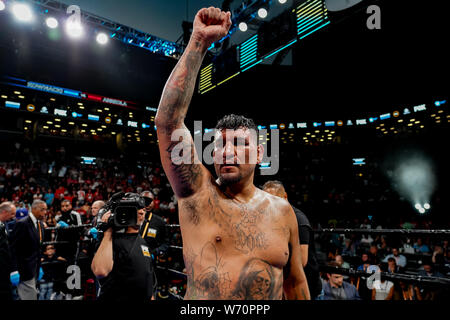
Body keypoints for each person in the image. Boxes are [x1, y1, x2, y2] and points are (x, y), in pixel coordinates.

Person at [155, 6, 309, 300]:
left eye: (239, 144)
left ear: (261, 153)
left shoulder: (283, 212)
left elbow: (295, 283)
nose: (227, 152)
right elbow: (168, 122)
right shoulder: (197, 194)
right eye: (220, 144)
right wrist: (198, 42)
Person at [262, 180, 322, 299]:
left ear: (285, 197)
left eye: (274, 199)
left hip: (307, 287)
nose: (270, 204)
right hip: (286, 287)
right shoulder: (273, 218)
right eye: (266, 200)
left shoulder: (299, 220)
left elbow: (302, 261)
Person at [91, 193, 155, 301]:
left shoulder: (142, 241)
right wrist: (108, 231)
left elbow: (148, 276)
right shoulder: (110, 240)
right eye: (137, 208)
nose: (142, 211)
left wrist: (151, 296)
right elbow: (100, 271)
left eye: (143, 208)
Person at [9, 200, 46, 300]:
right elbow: (13, 248)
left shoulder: (40, 225)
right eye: (42, 209)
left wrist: (39, 267)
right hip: (23, 270)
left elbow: (38, 249)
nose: (45, 212)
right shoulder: (22, 224)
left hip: (34, 269)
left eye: (46, 210)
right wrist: (14, 270)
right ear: (33, 209)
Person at [139, 190, 170, 296]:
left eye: (150, 200)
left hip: (150, 264)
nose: (147, 203)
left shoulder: (159, 222)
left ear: (154, 202)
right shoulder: (132, 218)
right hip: (132, 261)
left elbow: (166, 243)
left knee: (150, 292)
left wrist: (155, 252)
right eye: (144, 200)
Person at [0, 201, 16, 300]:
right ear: (4, 212)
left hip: (5, 269)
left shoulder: (4, 224)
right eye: (12, 214)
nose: (13, 217)